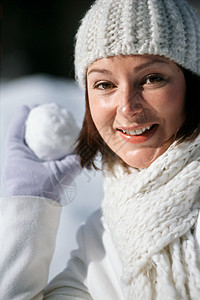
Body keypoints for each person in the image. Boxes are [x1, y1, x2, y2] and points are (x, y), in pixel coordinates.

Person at [1, 0, 200, 299]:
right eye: (105, 84)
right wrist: (30, 208)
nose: (127, 107)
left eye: (151, 79)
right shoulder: (101, 238)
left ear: (192, 84)